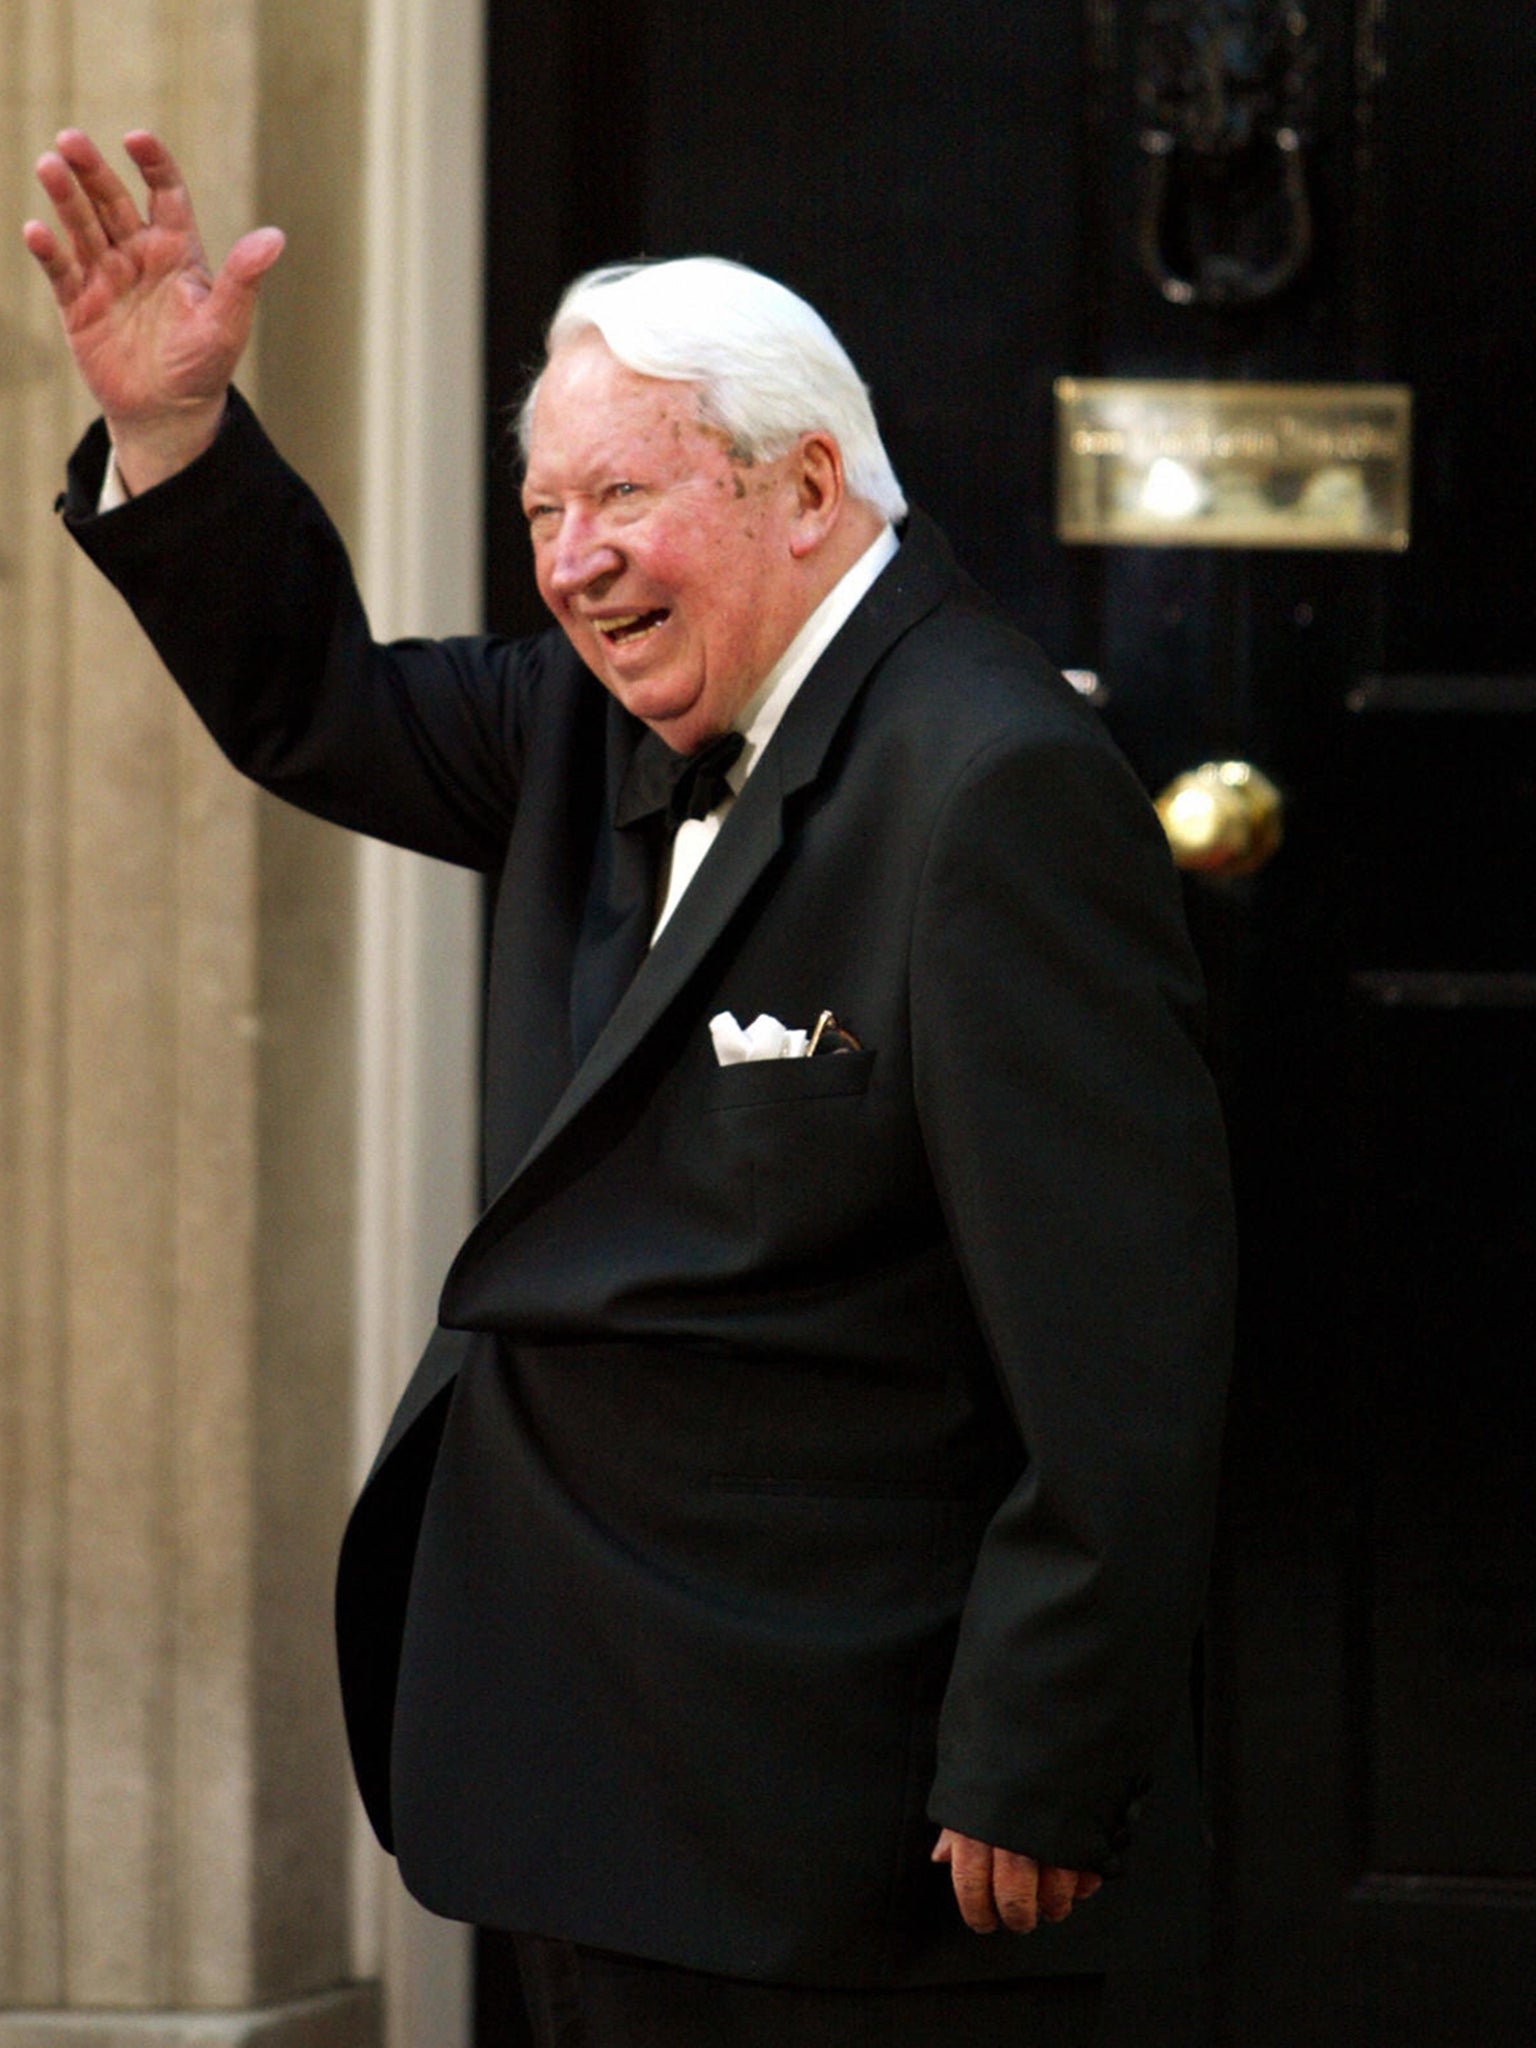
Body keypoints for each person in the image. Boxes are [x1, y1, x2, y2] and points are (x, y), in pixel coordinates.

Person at [26, 129, 1235, 2048]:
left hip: (838, 1818)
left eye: (621, 498)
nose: (572, 563)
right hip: (574, 1763)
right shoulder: (589, 723)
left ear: (809, 491)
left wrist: (1046, 1745)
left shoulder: (988, 785)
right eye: (539, 509)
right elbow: (318, 699)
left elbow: (1126, 1340)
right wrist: (177, 436)